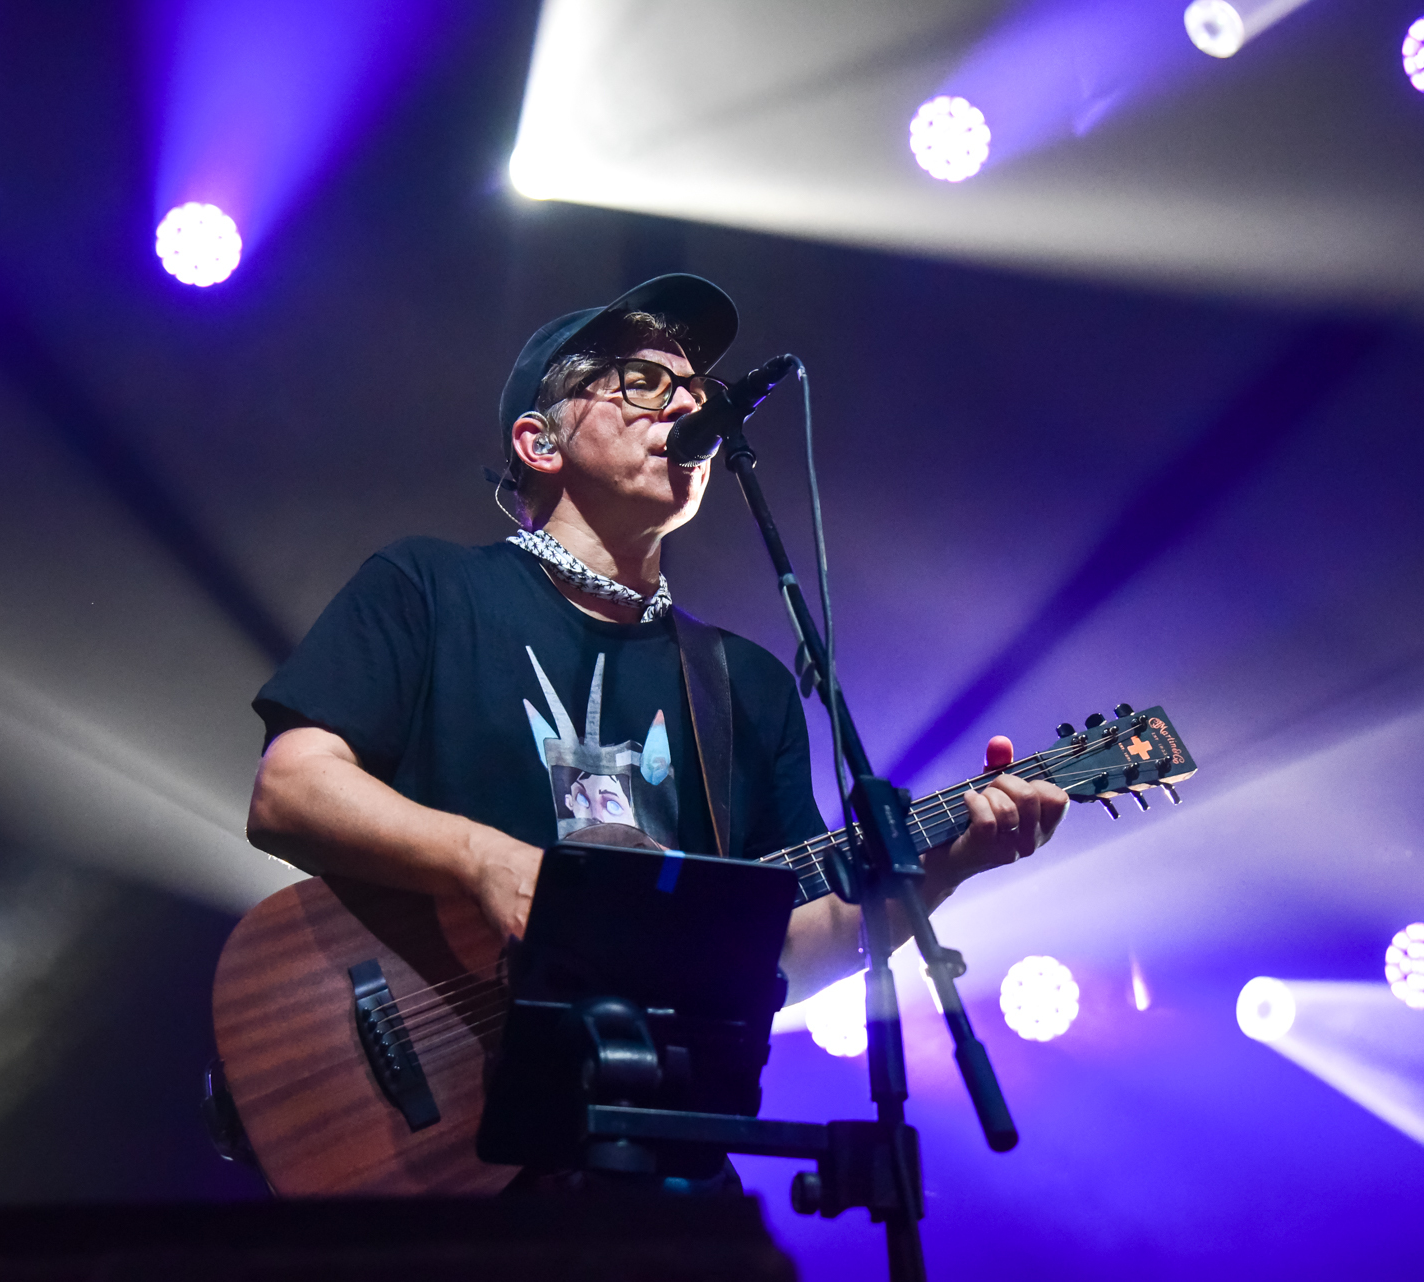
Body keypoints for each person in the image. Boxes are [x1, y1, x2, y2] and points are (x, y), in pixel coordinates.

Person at [245, 274, 1068, 1009]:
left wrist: (951, 862)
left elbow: (783, 953)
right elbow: (289, 791)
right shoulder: (430, 587)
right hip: (445, 1082)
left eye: (698, 389)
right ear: (540, 443)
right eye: (643, 382)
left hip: (658, 1104)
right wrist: (481, 857)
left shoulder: (745, 685)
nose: (687, 407)